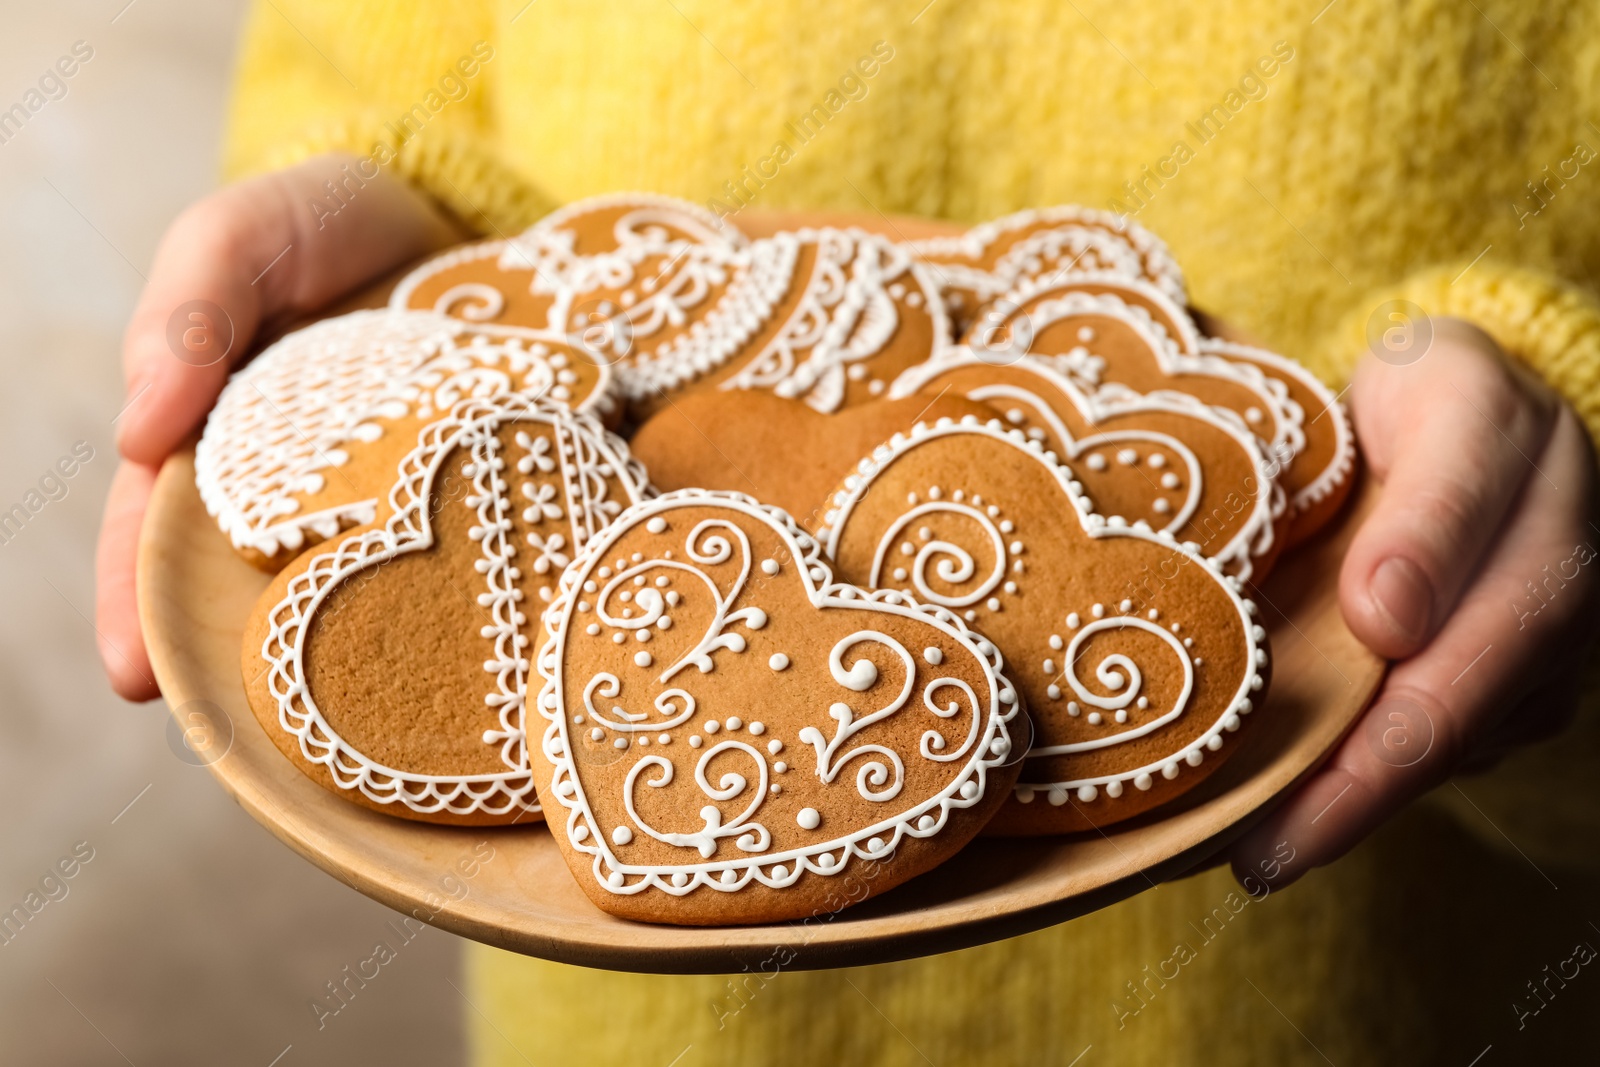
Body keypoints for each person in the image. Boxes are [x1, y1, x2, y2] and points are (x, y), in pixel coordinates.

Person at [97, 3, 1600, 1062]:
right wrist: (399, 234)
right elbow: (374, 52)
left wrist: (1566, 441)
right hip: (629, 1013)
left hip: (1392, 998)